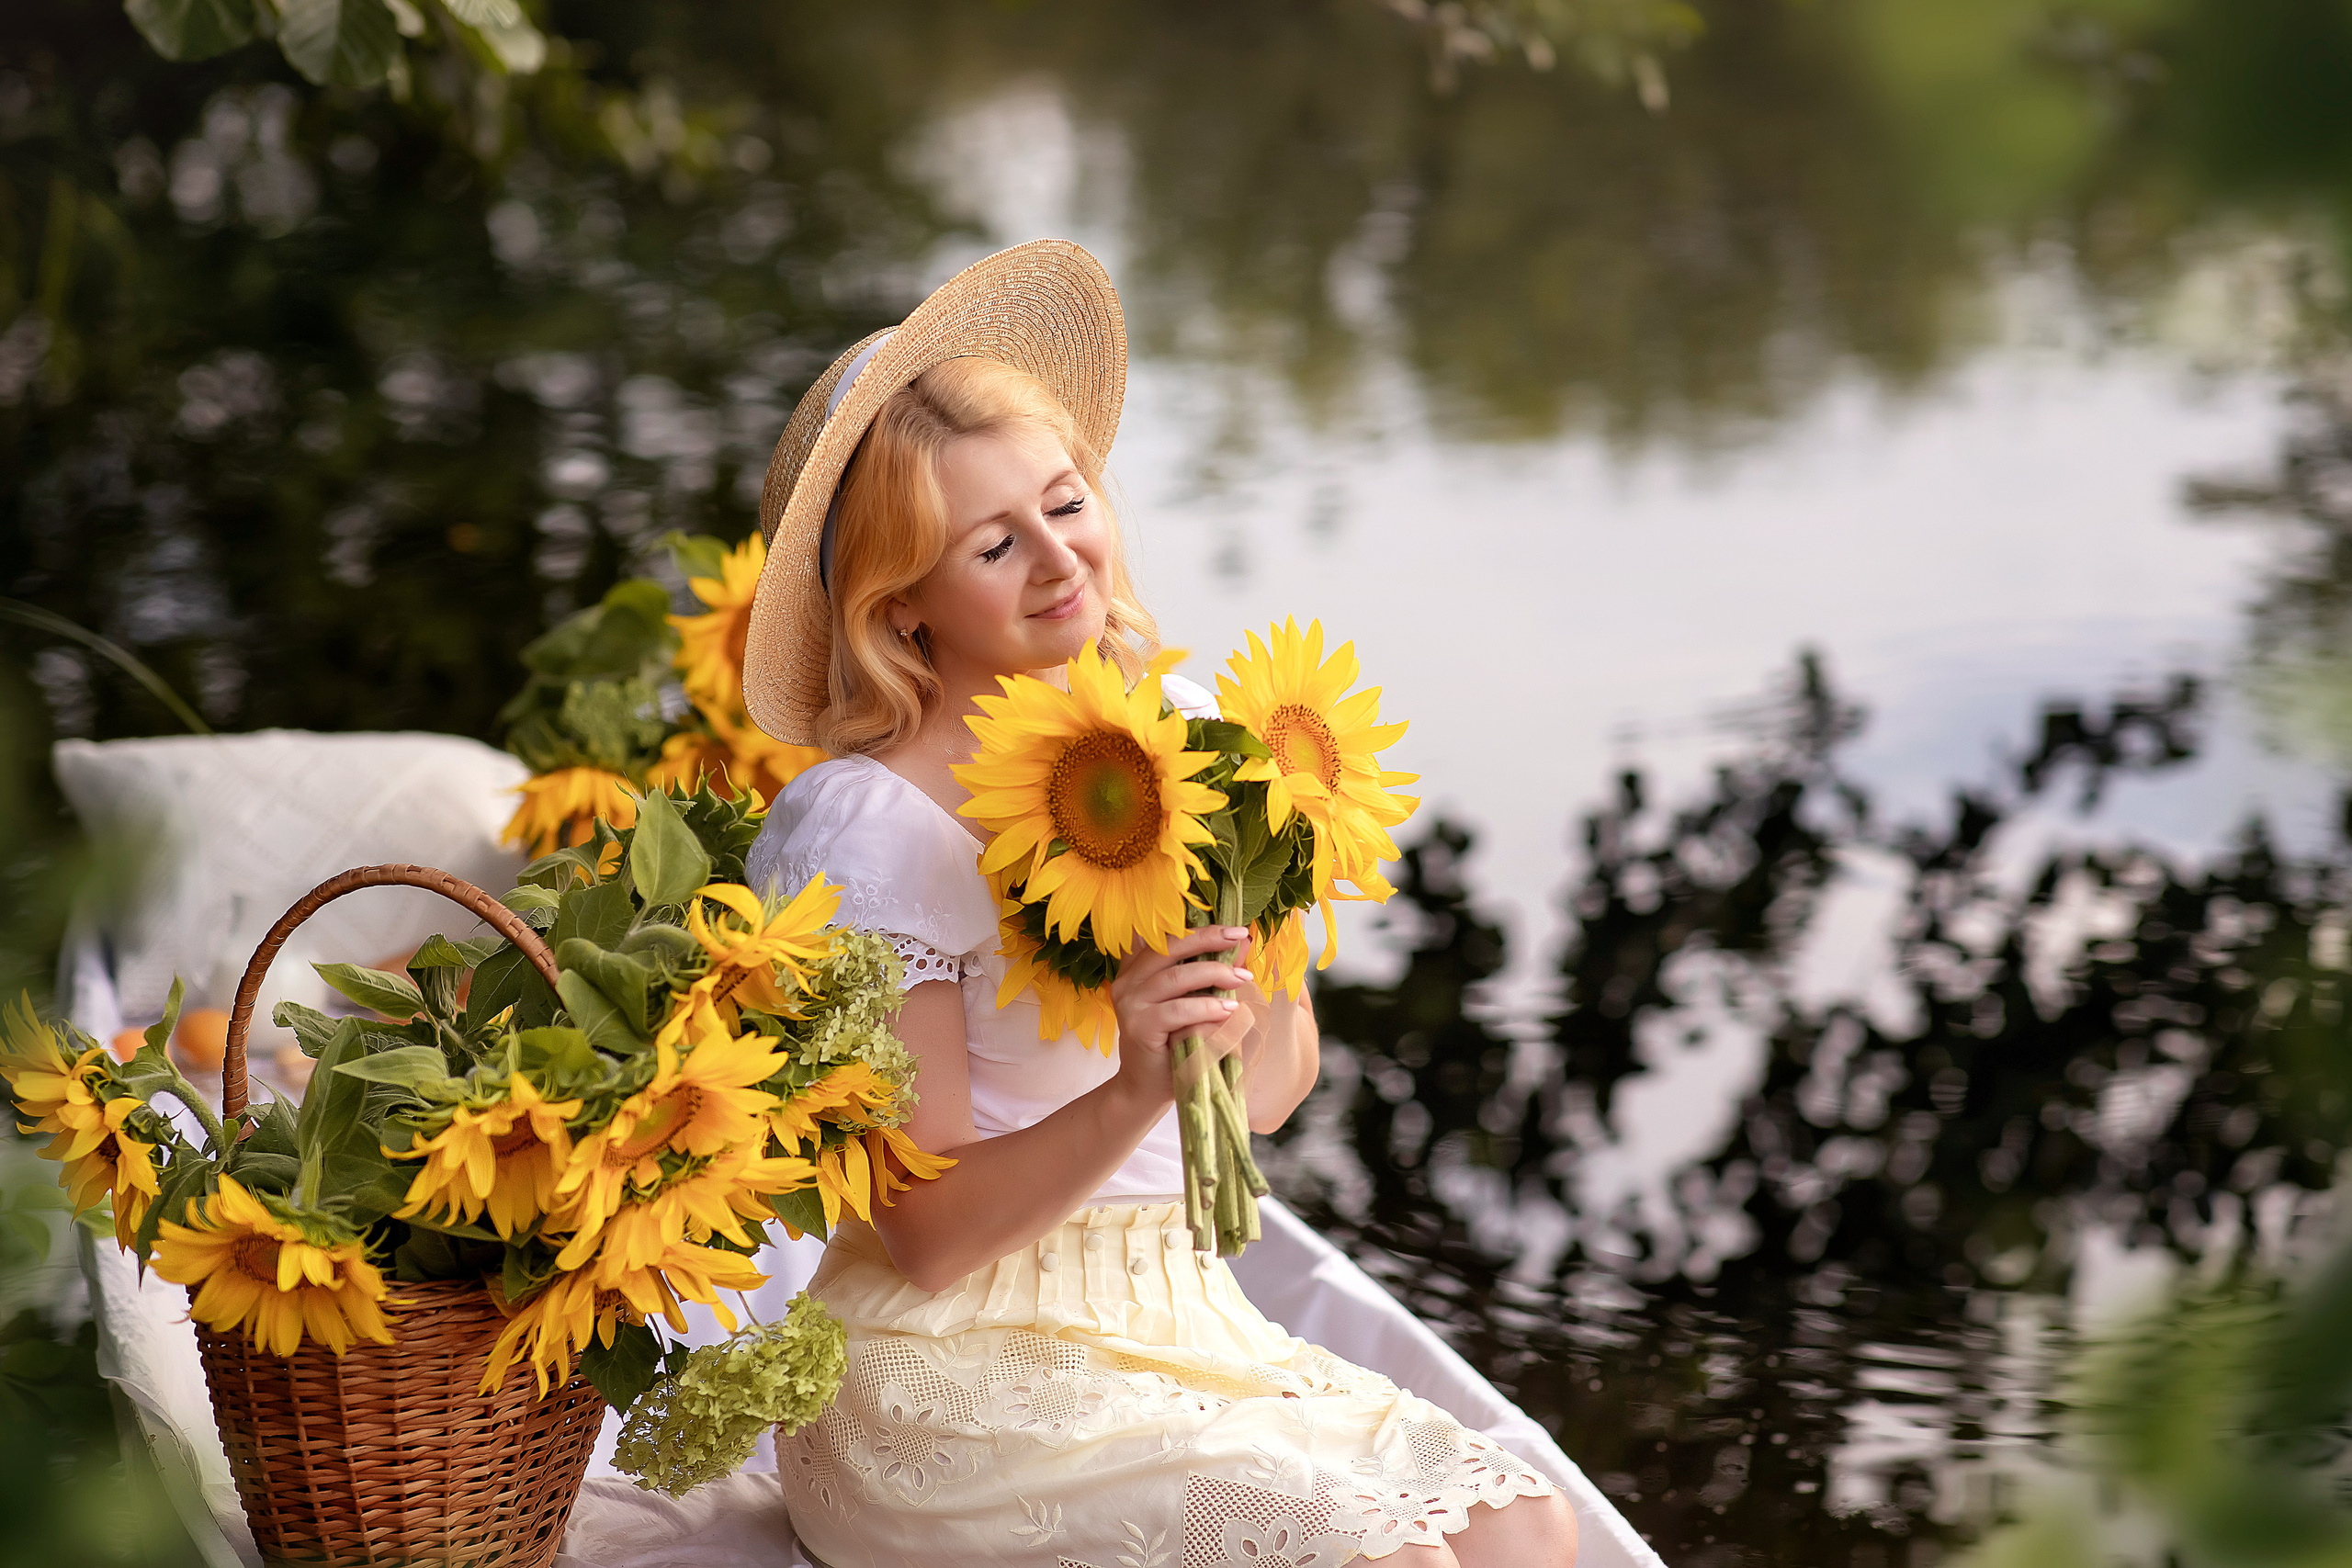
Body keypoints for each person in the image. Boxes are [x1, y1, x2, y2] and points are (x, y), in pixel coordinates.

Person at [738, 239, 1577, 1568]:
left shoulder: (1178, 731)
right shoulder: (868, 828)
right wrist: (1132, 1083)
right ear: (904, 616)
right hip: (943, 1369)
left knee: (1531, 1530)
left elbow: (1271, 1090)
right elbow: (929, 1233)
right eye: (992, 545)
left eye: (1067, 504)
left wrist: (1260, 962)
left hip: (1175, 1311)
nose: (1059, 560)